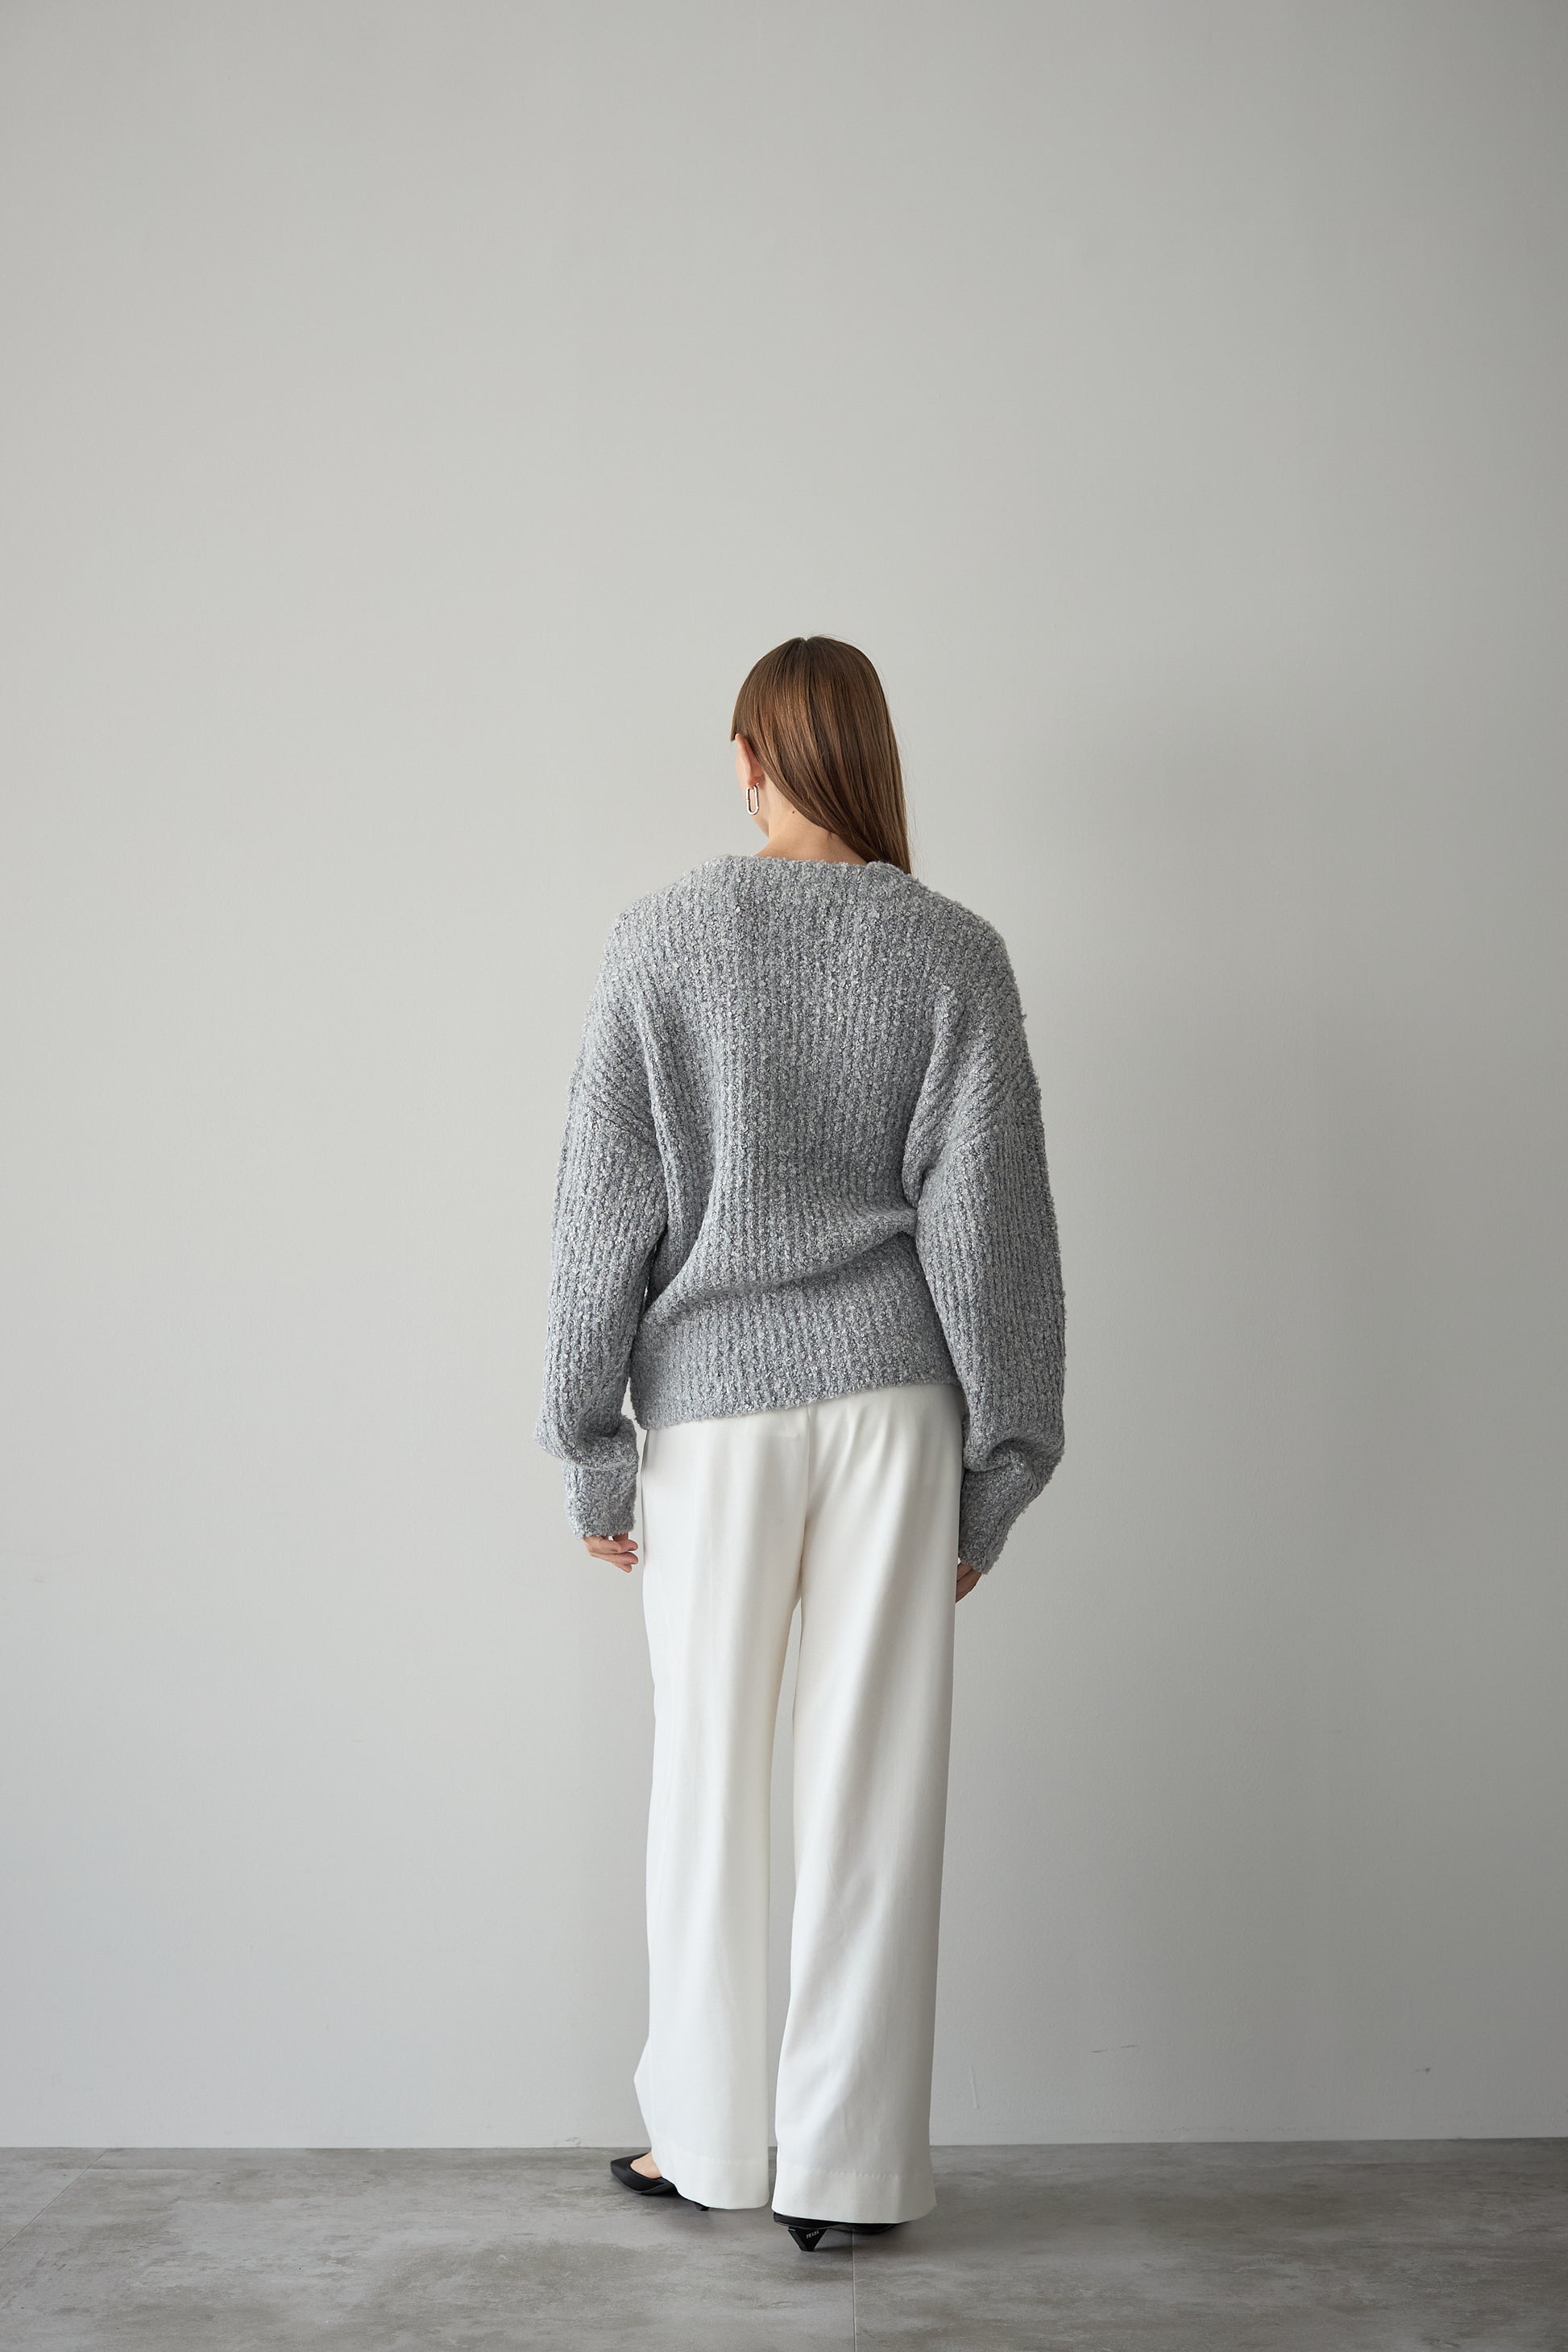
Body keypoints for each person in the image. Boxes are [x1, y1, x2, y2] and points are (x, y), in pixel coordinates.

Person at [534, 635, 1065, 2251]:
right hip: (897, 1407)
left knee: (706, 1775)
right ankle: (847, 2172)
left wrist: (589, 1440)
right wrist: (998, 1467)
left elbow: (599, 1213)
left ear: (749, 758)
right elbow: (995, 1230)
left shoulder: (659, 937)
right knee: (872, 1784)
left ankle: (706, 2142)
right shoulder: (953, 952)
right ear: (871, 756)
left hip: (710, 1414)